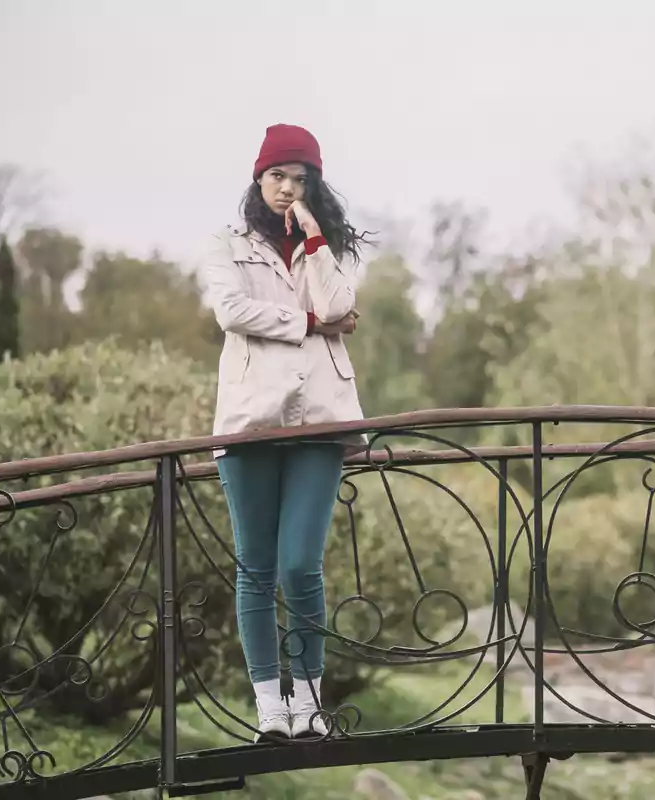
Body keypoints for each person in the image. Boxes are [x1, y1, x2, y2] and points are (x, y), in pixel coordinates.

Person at [202, 123, 369, 741]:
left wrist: (316, 239)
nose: (286, 188)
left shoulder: (332, 245)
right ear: (258, 178)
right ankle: (271, 708)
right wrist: (308, 322)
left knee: (301, 565)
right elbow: (232, 311)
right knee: (257, 566)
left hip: (322, 418)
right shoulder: (228, 244)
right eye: (277, 176)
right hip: (250, 421)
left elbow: (337, 307)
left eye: (299, 180)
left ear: (312, 186)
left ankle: (309, 705)